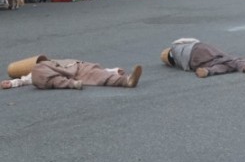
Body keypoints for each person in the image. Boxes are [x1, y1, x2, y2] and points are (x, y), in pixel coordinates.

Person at [1, 58, 142, 90]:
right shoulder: (40, 67)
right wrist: (13, 83)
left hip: (78, 69)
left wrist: (112, 70)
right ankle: (71, 85)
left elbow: (97, 72)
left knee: (98, 74)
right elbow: (28, 79)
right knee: (39, 73)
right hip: (63, 77)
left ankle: (127, 80)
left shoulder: (60, 60)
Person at [160, 38, 245, 78]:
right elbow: (193, 40)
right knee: (226, 58)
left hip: (192, 64)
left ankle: (207, 71)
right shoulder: (176, 46)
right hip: (198, 49)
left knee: (221, 65)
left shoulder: (177, 62)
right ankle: (244, 66)